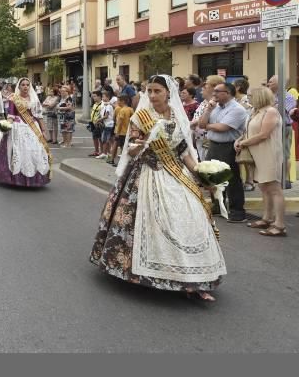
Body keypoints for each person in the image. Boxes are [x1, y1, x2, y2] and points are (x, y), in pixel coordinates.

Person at [90, 75, 226, 302]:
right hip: (146, 173)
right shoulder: (140, 116)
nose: (152, 96)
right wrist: (139, 146)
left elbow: (183, 152)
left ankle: (196, 279)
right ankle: (147, 272)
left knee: (189, 222)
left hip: (176, 176)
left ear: (168, 93)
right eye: (149, 91)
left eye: (157, 91)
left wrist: (202, 173)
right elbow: (131, 149)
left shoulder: (177, 116)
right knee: (150, 224)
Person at [236, 86, 287, 236]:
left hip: (269, 154)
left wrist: (243, 143)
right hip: (258, 154)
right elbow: (248, 131)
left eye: (251, 95)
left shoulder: (271, 112)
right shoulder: (255, 112)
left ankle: (280, 224)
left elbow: (264, 134)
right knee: (264, 188)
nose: (248, 98)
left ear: (259, 96)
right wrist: (239, 140)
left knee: (274, 188)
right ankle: (267, 218)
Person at [197, 81, 248, 223]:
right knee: (212, 177)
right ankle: (218, 205)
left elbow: (223, 127)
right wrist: (208, 110)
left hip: (228, 146)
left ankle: (237, 211)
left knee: (231, 180)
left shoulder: (237, 109)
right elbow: (201, 124)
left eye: (218, 91)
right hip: (213, 145)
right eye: (214, 91)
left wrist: (208, 126)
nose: (214, 94)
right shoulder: (215, 107)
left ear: (228, 93)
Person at [0, 78, 51, 187]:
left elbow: (39, 116)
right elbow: (11, 115)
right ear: (19, 87)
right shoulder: (14, 98)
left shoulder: (34, 99)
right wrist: (6, 125)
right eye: (23, 85)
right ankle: (17, 179)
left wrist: (43, 130)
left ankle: (34, 179)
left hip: (33, 128)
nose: (25, 87)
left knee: (34, 151)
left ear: (30, 86)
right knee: (18, 152)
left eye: (27, 85)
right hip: (18, 129)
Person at [109, 94, 133, 166]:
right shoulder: (130, 109)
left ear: (122, 101)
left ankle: (122, 163)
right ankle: (124, 162)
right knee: (125, 147)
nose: (117, 102)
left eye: (118, 101)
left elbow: (119, 123)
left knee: (123, 148)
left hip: (121, 132)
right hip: (128, 132)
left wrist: (117, 132)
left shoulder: (122, 110)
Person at [96, 90, 114, 160]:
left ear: (108, 97)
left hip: (108, 125)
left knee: (105, 139)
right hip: (106, 124)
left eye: (104, 97)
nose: (103, 98)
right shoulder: (105, 105)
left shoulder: (108, 106)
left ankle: (104, 153)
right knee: (108, 139)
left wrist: (99, 120)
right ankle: (108, 153)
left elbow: (106, 116)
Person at [88, 90, 103, 157]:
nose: (93, 98)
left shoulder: (102, 104)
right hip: (93, 123)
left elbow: (102, 115)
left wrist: (99, 121)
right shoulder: (94, 104)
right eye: (93, 96)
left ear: (99, 96)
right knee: (94, 137)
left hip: (98, 124)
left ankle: (101, 152)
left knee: (100, 138)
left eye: (94, 96)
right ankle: (96, 151)